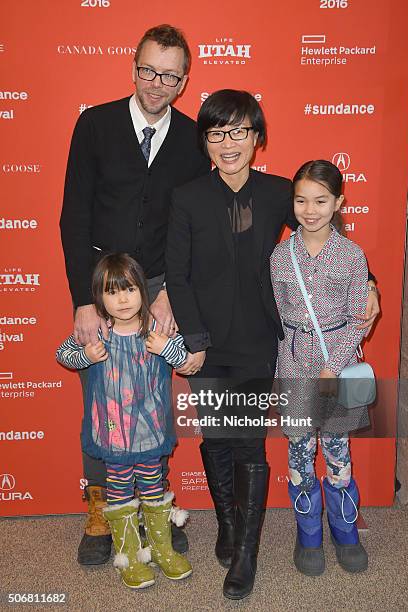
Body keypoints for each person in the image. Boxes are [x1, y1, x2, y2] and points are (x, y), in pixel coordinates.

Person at [166, 90, 379, 599]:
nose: (228, 142)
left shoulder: (278, 192)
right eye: (217, 133)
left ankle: (247, 555)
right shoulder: (188, 197)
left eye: (239, 130)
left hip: (264, 343)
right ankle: (227, 526)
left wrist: (370, 283)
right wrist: (192, 338)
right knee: (216, 440)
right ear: (206, 142)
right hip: (207, 345)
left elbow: (325, 231)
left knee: (250, 446)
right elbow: (176, 271)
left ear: (257, 138)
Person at [60, 24, 211, 564]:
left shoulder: (195, 140)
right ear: (133, 67)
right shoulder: (95, 124)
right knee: (102, 401)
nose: (157, 83)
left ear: (184, 80)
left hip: (160, 286)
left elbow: (190, 225)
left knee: (148, 400)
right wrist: (83, 298)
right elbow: (73, 215)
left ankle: (153, 508)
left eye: (170, 75)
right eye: (149, 70)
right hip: (102, 285)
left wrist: (170, 289)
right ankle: (102, 511)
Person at [57, 253, 192, 589]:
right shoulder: (98, 334)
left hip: (149, 435)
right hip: (114, 439)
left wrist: (165, 348)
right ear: (98, 298)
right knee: (118, 497)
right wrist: (85, 355)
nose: (122, 299)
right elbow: (63, 354)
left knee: (154, 491)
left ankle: (161, 549)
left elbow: (186, 360)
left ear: (142, 292)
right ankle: (129, 557)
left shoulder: (156, 331)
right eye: (112, 292)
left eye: (129, 289)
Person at [270, 159, 371, 577]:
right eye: (301, 200)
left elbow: (359, 319)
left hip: (339, 362)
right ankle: (308, 531)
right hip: (293, 361)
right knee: (299, 451)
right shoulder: (280, 255)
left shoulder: (351, 255)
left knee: (336, 452)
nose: (310, 210)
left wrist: (332, 365)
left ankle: (345, 530)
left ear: (338, 202)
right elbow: (276, 312)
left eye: (321, 200)